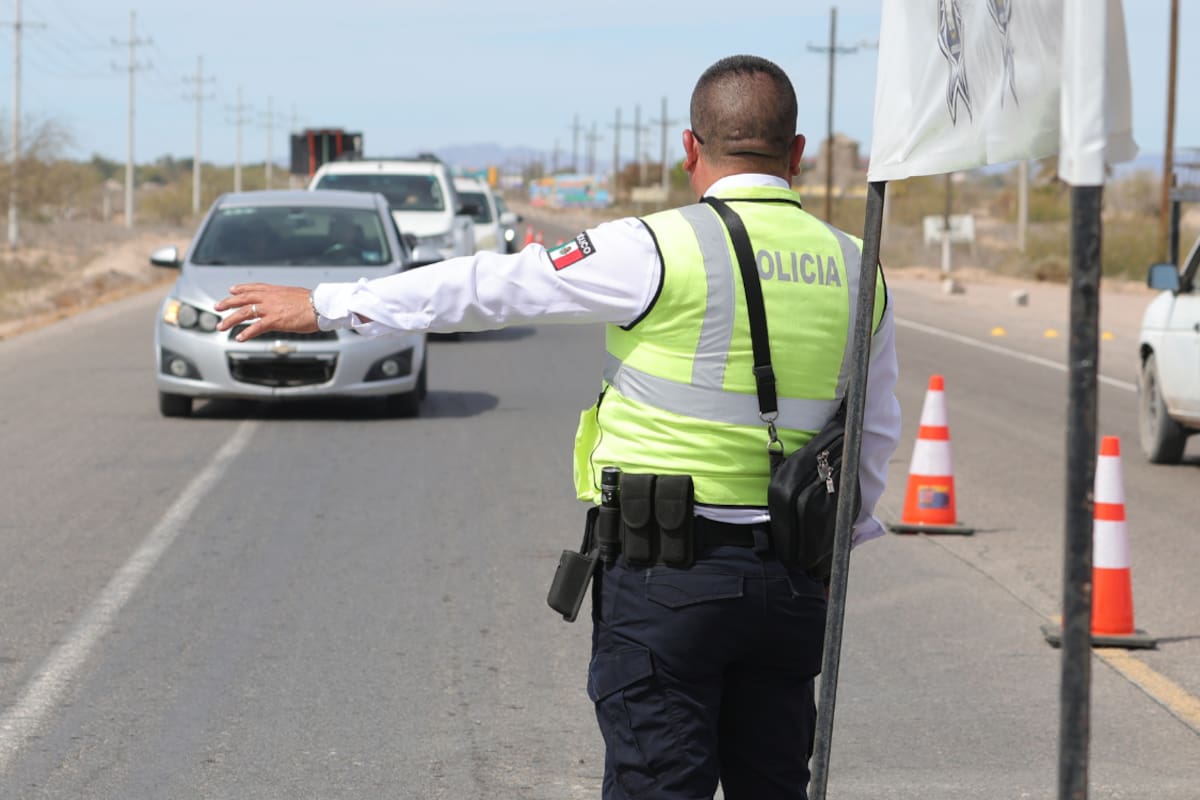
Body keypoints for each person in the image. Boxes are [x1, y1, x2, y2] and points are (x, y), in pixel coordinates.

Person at [215, 54, 900, 800]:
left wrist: (327, 304)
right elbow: (872, 436)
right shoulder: (859, 267)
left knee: (657, 784)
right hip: (793, 590)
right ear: (796, 154)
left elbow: (492, 286)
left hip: (668, 582)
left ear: (689, 150)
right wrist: (829, 568)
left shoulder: (658, 247)